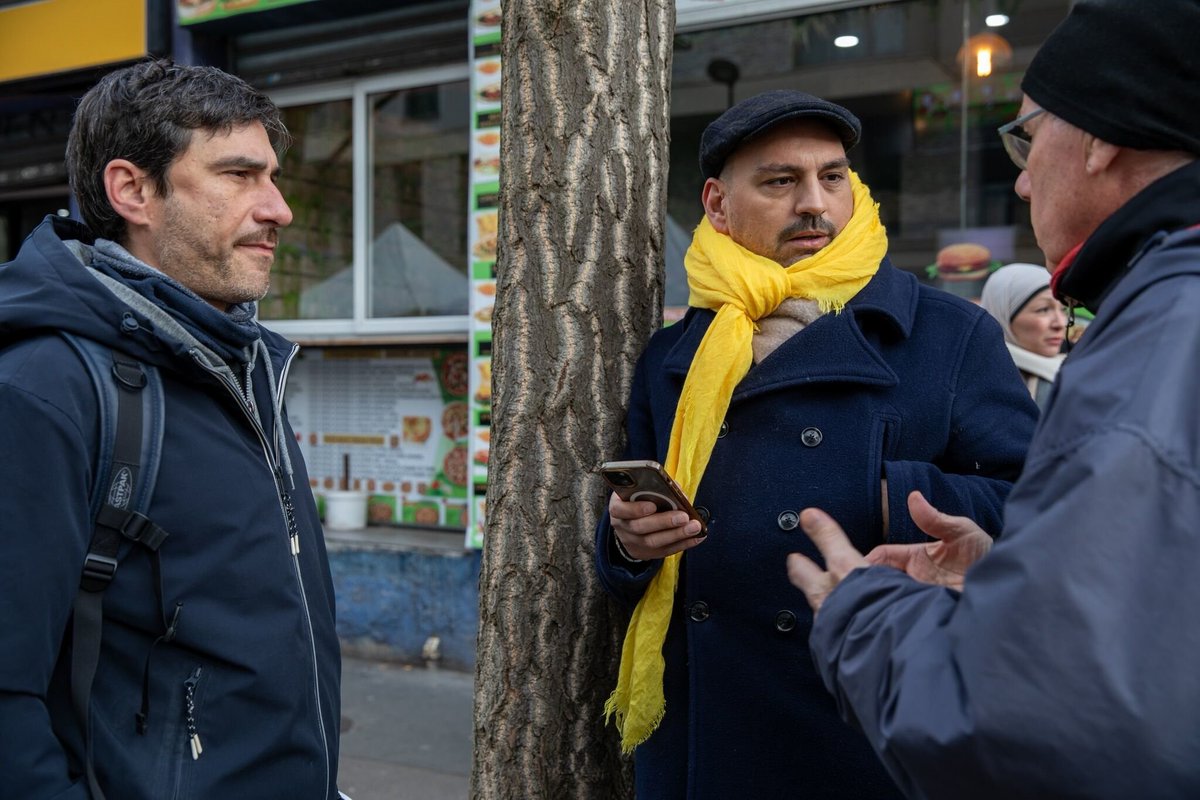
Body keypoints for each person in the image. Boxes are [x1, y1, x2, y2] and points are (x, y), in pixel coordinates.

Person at [787, 2, 1200, 797]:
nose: (1020, 177)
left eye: (1026, 138)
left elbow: (1042, 724)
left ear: (1101, 137)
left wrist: (862, 612)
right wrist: (1011, 579)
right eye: (779, 179)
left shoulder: (1159, 336)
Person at [595, 89, 1039, 799]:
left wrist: (886, 498)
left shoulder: (949, 336)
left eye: (833, 177)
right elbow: (637, 535)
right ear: (717, 204)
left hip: (863, 727)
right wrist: (628, 543)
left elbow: (1037, 506)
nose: (815, 203)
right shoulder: (674, 354)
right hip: (703, 730)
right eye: (780, 181)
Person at [0, 60, 344, 799]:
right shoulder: (43, 387)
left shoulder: (245, 364)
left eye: (273, 178)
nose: (279, 209)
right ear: (133, 191)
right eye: (238, 175)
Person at [980, 262, 1066, 409]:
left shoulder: (1073, 369)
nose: (1060, 323)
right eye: (1043, 309)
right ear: (1003, 316)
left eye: (1063, 309)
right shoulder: (987, 387)